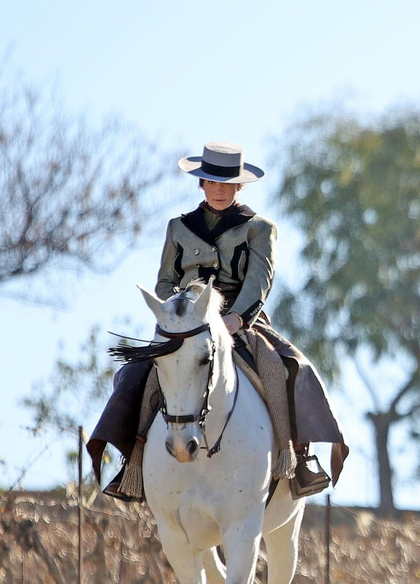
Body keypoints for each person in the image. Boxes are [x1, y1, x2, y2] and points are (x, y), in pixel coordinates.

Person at [89, 143, 345, 500]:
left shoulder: (259, 228)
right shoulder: (178, 227)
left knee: (285, 367)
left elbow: (259, 280)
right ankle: (131, 464)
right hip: (188, 323)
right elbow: (165, 282)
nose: (219, 190)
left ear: (238, 185)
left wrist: (236, 318)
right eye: (211, 182)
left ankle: (297, 458)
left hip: (239, 322)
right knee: (136, 373)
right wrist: (179, 310)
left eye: (226, 184)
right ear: (202, 183)